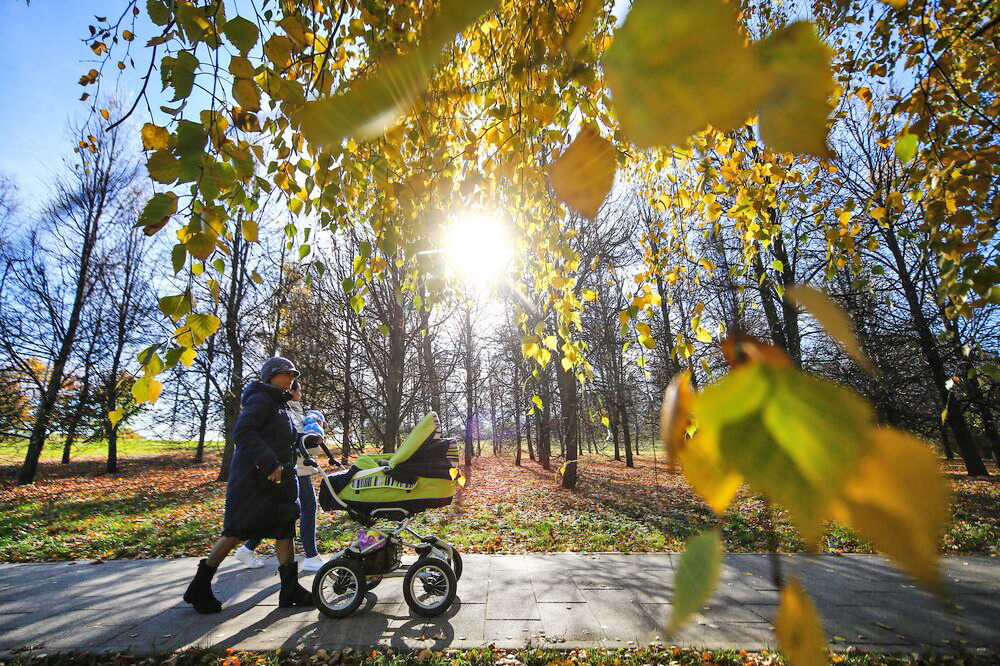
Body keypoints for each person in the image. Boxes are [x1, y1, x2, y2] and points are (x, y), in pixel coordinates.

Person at [182, 357, 313, 614]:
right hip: (254, 482)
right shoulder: (261, 399)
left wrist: (305, 439)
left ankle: (290, 589)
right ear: (271, 376)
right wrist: (269, 463)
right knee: (236, 531)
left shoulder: (281, 405)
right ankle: (200, 586)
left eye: (292, 375)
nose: (291, 379)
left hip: (280, 483)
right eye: (286, 374)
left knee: (285, 530)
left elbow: (283, 436)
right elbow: (244, 433)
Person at [234, 383, 337, 572]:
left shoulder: (295, 412)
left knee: (278, 513)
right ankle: (311, 555)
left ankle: (247, 548)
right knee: (306, 508)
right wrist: (314, 436)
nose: (301, 393)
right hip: (294, 468)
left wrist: (317, 433)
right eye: (299, 390)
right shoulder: (287, 412)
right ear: (292, 392)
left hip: (296, 468)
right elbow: (297, 441)